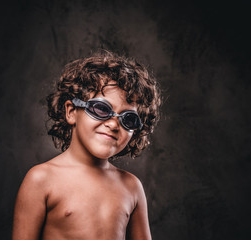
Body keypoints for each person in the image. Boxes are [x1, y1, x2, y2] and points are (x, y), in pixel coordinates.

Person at [12, 50, 161, 240]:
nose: (114, 124)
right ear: (72, 111)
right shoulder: (41, 180)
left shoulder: (131, 187)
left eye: (128, 119)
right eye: (101, 109)